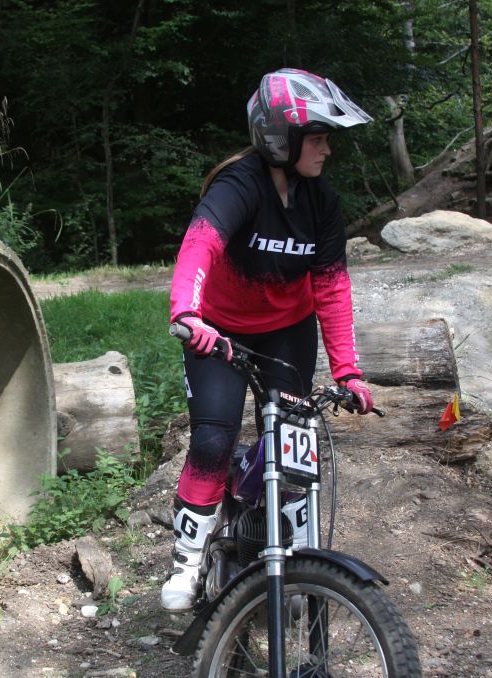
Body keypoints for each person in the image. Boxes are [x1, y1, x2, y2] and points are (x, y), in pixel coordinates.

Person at [161, 68, 375, 612]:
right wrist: (188, 313)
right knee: (213, 441)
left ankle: (296, 559)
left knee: (294, 443)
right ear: (283, 138)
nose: (327, 149)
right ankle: (188, 559)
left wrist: (348, 371)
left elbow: (332, 287)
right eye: (318, 138)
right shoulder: (240, 184)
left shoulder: (321, 201)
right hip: (218, 333)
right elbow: (200, 244)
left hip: (287, 332)